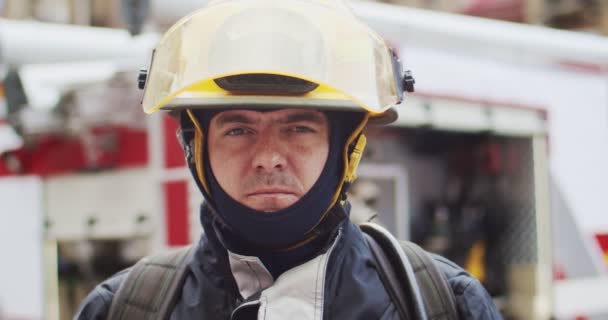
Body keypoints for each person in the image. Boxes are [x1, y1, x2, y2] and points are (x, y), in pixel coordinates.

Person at [75, 0, 501, 319]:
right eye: (238, 129)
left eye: (298, 129)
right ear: (196, 146)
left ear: (346, 147)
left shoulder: (443, 303)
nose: (268, 158)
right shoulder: (124, 308)